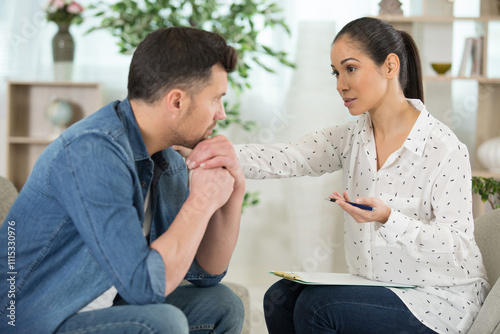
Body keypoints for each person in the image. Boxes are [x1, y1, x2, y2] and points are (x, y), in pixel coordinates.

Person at [183, 17, 489, 334]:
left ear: (390, 66)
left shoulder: (443, 148)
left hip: (439, 301)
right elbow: (290, 157)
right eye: (336, 72)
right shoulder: (352, 138)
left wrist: (389, 219)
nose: (341, 84)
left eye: (351, 68)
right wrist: (209, 152)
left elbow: (456, 245)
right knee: (281, 296)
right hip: (380, 287)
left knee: (318, 309)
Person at [0, 26, 246, 333]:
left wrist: (233, 190)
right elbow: (145, 286)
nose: (221, 114)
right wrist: (200, 202)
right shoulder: (92, 151)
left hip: (100, 309)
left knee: (222, 304)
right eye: (216, 99)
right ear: (177, 102)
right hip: (31, 320)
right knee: (163, 323)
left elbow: (205, 273)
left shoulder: (166, 159)